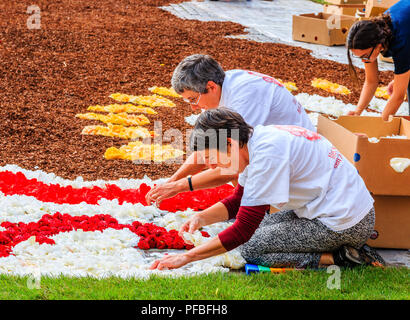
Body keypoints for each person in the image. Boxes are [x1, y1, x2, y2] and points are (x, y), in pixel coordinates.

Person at [150, 108, 382, 271]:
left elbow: (243, 230)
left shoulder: (266, 156)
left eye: (212, 157)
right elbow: (239, 201)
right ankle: (344, 250)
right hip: (337, 210)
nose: (211, 167)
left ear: (229, 143)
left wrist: (186, 258)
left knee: (250, 248)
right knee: (251, 233)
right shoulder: (255, 141)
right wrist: (201, 217)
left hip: (346, 223)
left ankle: (338, 258)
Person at [146, 54, 314, 205]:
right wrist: (172, 182)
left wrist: (179, 186)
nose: (193, 108)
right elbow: (209, 148)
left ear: (211, 87)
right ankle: (245, 205)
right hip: (280, 152)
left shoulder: (243, 99)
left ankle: (255, 209)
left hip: (298, 164)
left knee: (237, 163)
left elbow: (234, 164)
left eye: (193, 99)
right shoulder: (220, 88)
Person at [346, 0, 410, 120]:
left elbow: (398, 97)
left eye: (365, 56)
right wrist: (357, 112)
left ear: (378, 44)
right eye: (359, 57)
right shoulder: (373, 32)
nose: (364, 61)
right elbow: (371, 81)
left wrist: (379, 128)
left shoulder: (401, 41)